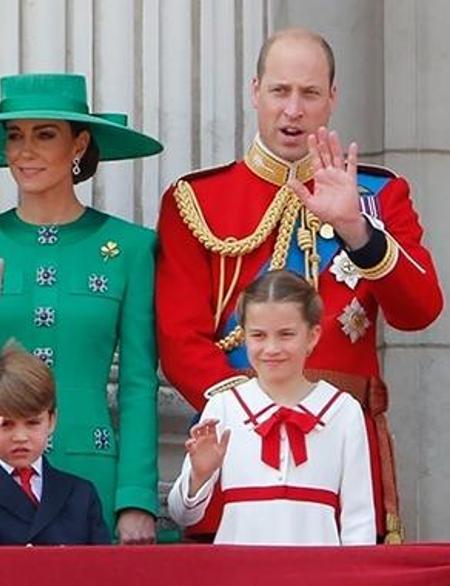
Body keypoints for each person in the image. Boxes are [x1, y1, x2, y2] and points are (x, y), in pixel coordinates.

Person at [156, 27, 443, 542]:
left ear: (332, 97)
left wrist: (357, 230)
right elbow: (179, 342)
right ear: (255, 91)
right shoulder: (196, 200)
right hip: (240, 447)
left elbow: (420, 310)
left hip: (343, 450)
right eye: (279, 91)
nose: (293, 110)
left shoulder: (379, 194)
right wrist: (257, 412)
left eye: (309, 93)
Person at [0, 73, 162, 543]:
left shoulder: (130, 247)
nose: (25, 151)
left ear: (80, 144)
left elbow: (139, 384)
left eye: (45, 135)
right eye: (15, 136)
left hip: (91, 473)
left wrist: (136, 498)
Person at [167, 271, 375, 545]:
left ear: (312, 336)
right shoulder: (224, 406)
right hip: (239, 566)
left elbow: (359, 521)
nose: (272, 348)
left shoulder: (343, 411)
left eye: (286, 334)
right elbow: (182, 514)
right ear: (244, 336)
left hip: (318, 566)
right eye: (258, 335)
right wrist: (200, 475)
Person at [0, 343, 110, 545]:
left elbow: (100, 562)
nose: (20, 437)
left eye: (33, 423)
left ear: (51, 420)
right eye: (5, 424)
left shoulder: (80, 494)